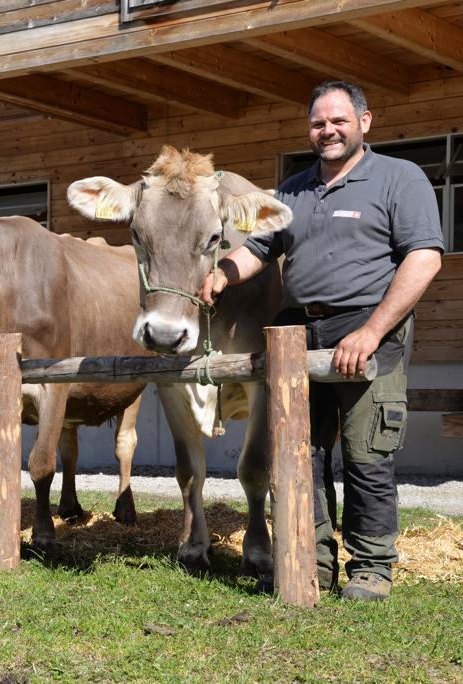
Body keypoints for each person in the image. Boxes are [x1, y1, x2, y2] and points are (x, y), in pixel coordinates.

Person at [201, 81, 443, 601]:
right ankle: (310, 559)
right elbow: (259, 248)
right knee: (300, 453)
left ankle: (371, 566)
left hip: (370, 327)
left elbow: (424, 257)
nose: (327, 131)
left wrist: (372, 331)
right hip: (298, 332)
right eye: (318, 123)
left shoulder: (400, 178)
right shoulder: (291, 190)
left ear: (364, 122)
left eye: (338, 121)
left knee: (366, 452)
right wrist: (222, 272)